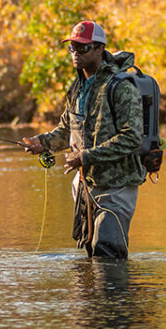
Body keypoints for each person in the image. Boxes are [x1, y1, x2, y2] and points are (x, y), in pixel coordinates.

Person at [22, 20, 145, 258]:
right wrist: (43, 142)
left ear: (100, 49)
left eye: (83, 48)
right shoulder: (77, 88)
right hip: (85, 186)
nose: (76, 53)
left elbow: (132, 138)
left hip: (117, 186)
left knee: (107, 254)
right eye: (72, 48)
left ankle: (120, 296)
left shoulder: (121, 86)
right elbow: (68, 131)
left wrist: (85, 156)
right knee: (90, 255)